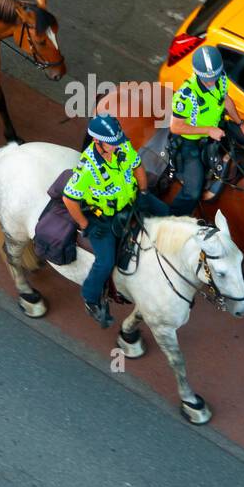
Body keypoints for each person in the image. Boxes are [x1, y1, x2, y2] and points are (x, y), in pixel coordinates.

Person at [62, 115, 170, 328]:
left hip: (131, 201)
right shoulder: (87, 168)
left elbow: (137, 165)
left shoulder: (121, 146)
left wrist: (144, 191)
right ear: (97, 142)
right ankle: (91, 298)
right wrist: (85, 225)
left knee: (167, 212)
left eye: (119, 141)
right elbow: (69, 199)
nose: (118, 146)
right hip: (103, 218)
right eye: (113, 143)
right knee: (105, 261)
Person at [167, 44, 244, 216]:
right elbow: (175, 126)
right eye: (208, 78)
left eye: (215, 76)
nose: (212, 81)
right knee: (192, 191)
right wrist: (208, 130)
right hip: (190, 142)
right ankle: (172, 218)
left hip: (217, 128)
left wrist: (241, 125)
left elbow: (226, 100)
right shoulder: (186, 95)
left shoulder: (221, 78)